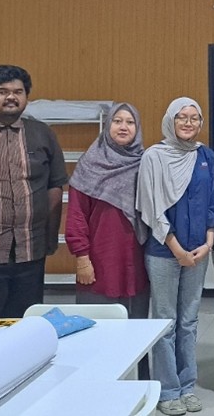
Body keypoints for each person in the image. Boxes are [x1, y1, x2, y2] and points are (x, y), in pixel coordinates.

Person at [0, 64, 67, 319]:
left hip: (31, 251)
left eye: (18, 92)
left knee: (25, 324)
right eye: (2, 91)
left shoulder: (43, 134)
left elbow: (54, 187)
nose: (11, 97)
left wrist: (49, 238)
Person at [137, 97, 214, 416]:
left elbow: (212, 201)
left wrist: (208, 242)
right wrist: (176, 248)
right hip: (164, 251)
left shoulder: (205, 155)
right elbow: (151, 207)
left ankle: (187, 386)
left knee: (189, 321)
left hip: (199, 251)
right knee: (165, 322)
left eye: (194, 118)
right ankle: (167, 390)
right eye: (182, 117)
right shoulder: (153, 156)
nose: (188, 123)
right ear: (170, 120)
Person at [65, 102, 149, 377]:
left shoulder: (145, 163)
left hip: (136, 261)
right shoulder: (89, 165)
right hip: (99, 261)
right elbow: (77, 216)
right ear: (108, 125)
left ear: (137, 128)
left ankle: (136, 384)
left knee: (135, 327)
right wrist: (82, 258)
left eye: (130, 122)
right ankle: (96, 383)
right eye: (117, 121)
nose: (124, 127)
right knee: (98, 328)